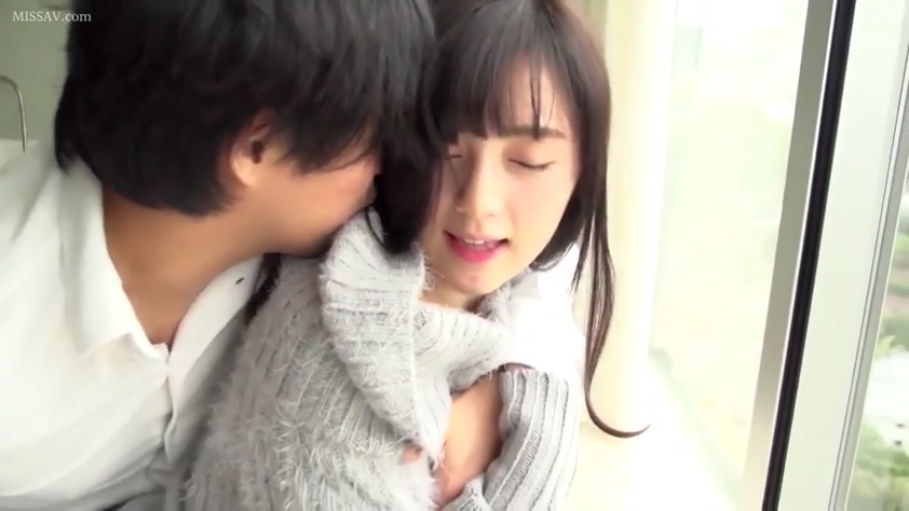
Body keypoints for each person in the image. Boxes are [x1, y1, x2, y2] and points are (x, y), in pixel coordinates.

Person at [0, 1, 586, 510]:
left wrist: (522, 375)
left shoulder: (291, 223)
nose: (391, 164)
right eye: (374, 132)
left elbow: (529, 253)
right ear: (256, 148)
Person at [176, 0, 628, 508]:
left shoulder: (500, 289)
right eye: (445, 152)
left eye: (528, 161)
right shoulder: (335, 377)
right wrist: (533, 466)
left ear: (582, 173)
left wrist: (535, 386)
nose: (478, 200)